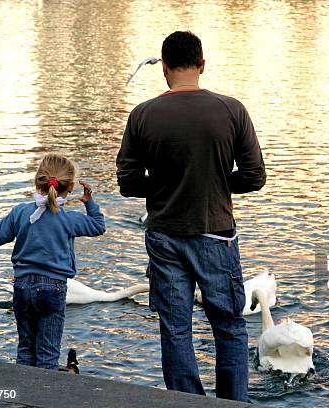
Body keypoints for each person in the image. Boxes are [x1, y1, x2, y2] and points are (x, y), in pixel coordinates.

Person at [116, 31, 265, 401]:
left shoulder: (142, 115)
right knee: (228, 327)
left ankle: (185, 402)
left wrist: (166, 185)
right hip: (215, 232)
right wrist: (214, 182)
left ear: (164, 67)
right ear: (202, 65)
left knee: (176, 328)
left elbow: (128, 181)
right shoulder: (232, 110)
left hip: (164, 235)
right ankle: (233, 403)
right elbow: (254, 176)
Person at [0, 153, 105, 369]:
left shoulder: (21, 212)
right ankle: (42, 400)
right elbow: (98, 226)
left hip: (21, 287)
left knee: (26, 351)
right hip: (53, 289)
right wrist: (89, 202)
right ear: (71, 187)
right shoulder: (70, 219)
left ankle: (23, 398)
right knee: (47, 356)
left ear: (38, 180)